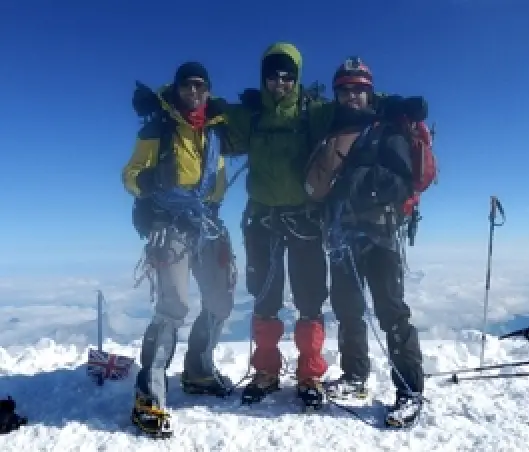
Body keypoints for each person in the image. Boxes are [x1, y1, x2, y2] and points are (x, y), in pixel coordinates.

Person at [303, 56, 434, 428]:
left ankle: (409, 391)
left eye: (359, 90)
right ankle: (355, 375)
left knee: (391, 312)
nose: (352, 96)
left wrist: (358, 182)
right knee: (347, 309)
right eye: (345, 89)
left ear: (370, 92)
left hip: (380, 235)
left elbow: (402, 181)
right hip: (342, 235)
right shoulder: (332, 130)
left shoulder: (387, 129)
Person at [216, 42, 334, 409]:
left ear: (296, 79)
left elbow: (352, 108)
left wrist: (388, 103)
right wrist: (164, 98)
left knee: (310, 298)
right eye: (273, 76)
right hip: (263, 219)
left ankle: (310, 373)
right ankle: (266, 371)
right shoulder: (251, 115)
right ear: (263, 78)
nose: (279, 83)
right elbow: (206, 109)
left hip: (302, 219)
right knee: (264, 298)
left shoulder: (312, 113)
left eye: (287, 77)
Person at [122, 62, 237, 436]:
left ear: (208, 91)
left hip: (207, 222)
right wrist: (149, 180)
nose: (194, 91)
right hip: (170, 224)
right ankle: (148, 394)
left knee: (220, 301)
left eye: (200, 86)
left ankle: (199, 370)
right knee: (174, 305)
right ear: (177, 89)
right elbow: (130, 175)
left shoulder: (216, 130)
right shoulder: (160, 127)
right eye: (187, 85)